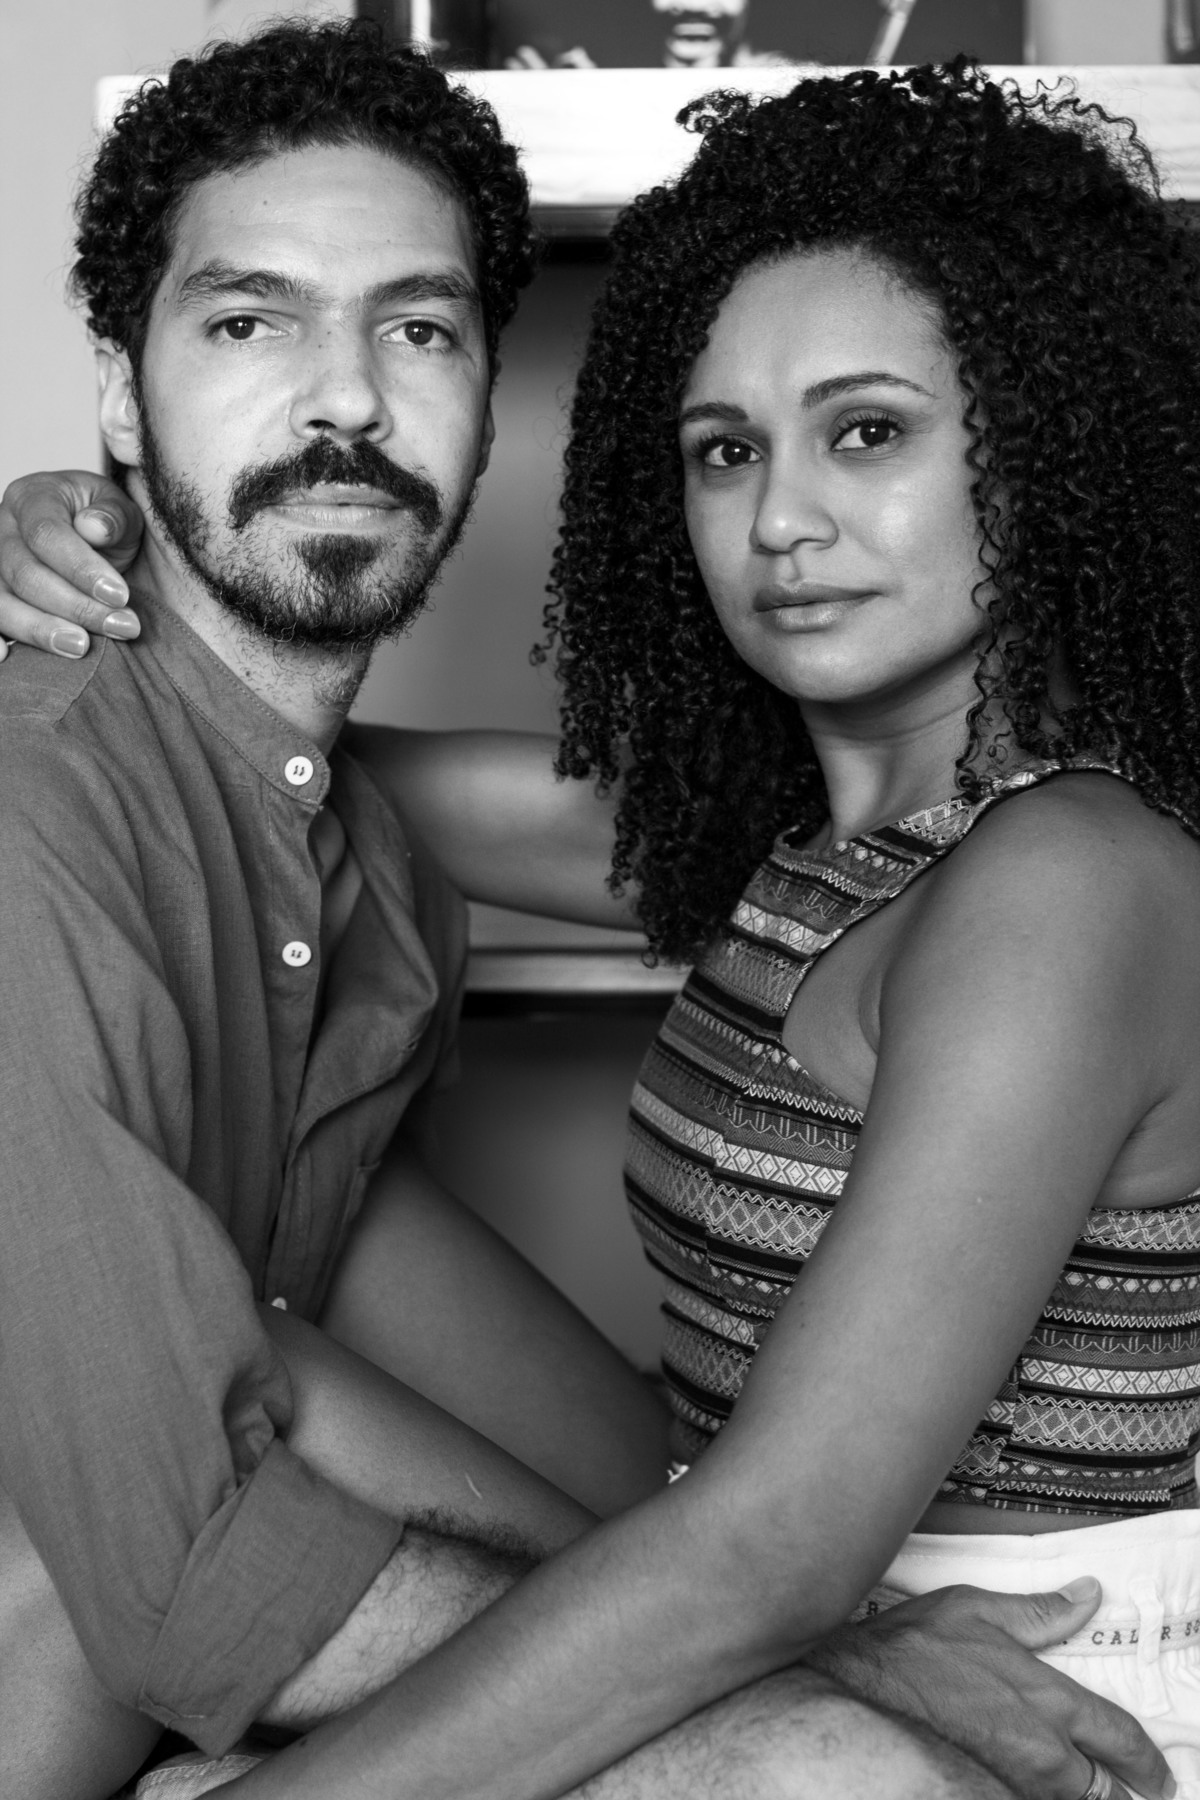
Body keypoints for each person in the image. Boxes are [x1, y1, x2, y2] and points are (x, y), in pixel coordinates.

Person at [0, 38, 1185, 1800]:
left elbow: (770, 1551)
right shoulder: (789, 842)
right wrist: (86, 564)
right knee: (144, 1485)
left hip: (1048, 1687)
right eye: (725, 450)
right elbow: (269, 745)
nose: (785, 519)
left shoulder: (1067, 878)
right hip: (753, 1598)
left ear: (1043, 450)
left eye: (869, 433)